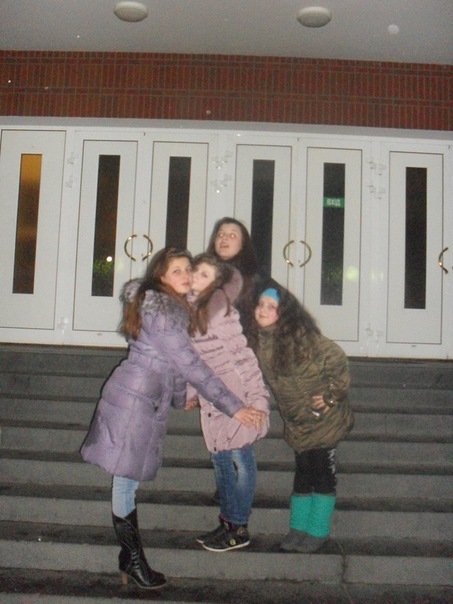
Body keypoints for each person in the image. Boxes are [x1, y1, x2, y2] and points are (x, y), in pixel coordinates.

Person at [80, 247, 266, 589]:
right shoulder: (164, 312)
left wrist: (182, 398)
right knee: (125, 481)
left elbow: (174, 366)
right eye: (176, 270)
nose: (185, 275)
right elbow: (191, 366)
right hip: (135, 401)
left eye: (187, 269)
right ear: (161, 276)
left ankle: (130, 558)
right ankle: (132, 559)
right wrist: (234, 407)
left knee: (127, 479)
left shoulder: (169, 307)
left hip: (141, 396)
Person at [249, 284, 354, 553]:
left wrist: (331, 396)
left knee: (321, 473)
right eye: (260, 305)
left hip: (323, 419)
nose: (262, 310)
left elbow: (336, 357)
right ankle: (298, 529)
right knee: (303, 474)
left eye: (271, 307)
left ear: (284, 313)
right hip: (297, 421)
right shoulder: (261, 340)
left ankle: (318, 530)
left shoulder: (301, 338)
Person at [185, 253, 270, 552]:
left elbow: (243, 356)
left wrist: (257, 399)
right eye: (195, 271)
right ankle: (228, 522)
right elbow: (192, 360)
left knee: (240, 459)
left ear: (216, 283)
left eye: (204, 275)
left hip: (236, 396)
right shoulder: (190, 309)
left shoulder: (220, 310)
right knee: (221, 460)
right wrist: (191, 392)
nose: (196, 278)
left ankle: (238, 528)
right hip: (213, 397)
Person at [205, 217, 267, 337]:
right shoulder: (203, 272)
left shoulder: (255, 276)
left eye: (232, 235)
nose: (224, 238)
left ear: (243, 244)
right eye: (220, 234)